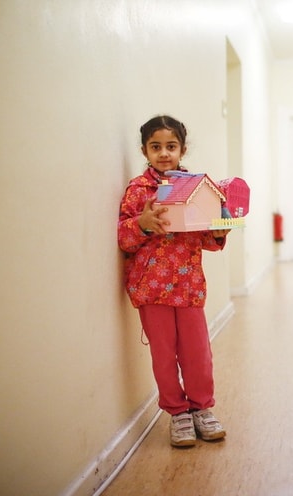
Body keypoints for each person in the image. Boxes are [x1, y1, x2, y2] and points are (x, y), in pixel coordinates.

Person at [117, 115, 229, 448]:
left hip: (189, 286)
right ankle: (178, 413)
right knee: (164, 356)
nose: (164, 153)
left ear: (182, 149)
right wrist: (143, 223)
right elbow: (124, 238)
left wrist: (219, 229)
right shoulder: (138, 190)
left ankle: (201, 408)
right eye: (156, 147)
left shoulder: (197, 188)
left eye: (171, 146)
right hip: (151, 288)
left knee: (197, 353)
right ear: (144, 151)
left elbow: (207, 238)